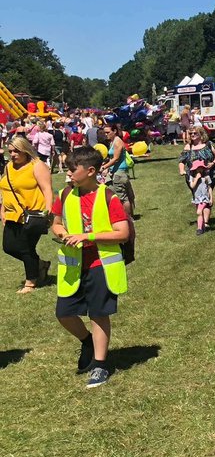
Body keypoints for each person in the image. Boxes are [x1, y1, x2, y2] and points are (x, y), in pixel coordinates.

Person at [50, 146, 131, 389]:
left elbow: (123, 233)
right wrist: (62, 232)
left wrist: (89, 237)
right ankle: (87, 341)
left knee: (98, 314)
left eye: (73, 169)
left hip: (101, 265)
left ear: (91, 171)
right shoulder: (65, 194)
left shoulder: (108, 197)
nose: (68, 173)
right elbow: (55, 223)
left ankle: (100, 364)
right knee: (64, 313)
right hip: (74, 266)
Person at [2, 134, 53, 293]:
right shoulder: (9, 166)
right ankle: (40, 265)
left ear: (26, 150)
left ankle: (30, 282)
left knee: (25, 247)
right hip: (12, 214)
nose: (13, 155)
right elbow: (6, 189)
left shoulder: (37, 165)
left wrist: (48, 211)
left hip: (33, 214)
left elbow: (47, 189)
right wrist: (2, 210)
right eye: (10, 151)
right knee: (9, 247)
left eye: (17, 151)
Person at [100, 123, 135, 219]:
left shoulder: (117, 141)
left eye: (108, 132)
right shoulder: (113, 141)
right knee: (117, 195)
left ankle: (128, 218)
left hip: (119, 173)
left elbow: (115, 158)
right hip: (115, 171)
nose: (106, 134)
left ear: (114, 131)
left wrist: (103, 167)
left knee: (122, 197)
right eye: (105, 132)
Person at [189, 160, 213, 235]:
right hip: (197, 198)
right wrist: (196, 178)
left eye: (201, 168)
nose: (200, 170)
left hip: (204, 198)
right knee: (200, 214)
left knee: (199, 212)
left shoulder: (206, 177)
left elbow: (209, 188)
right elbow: (192, 186)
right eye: (198, 168)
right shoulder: (192, 177)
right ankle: (202, 227)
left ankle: (199, 229)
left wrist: (211, 198)